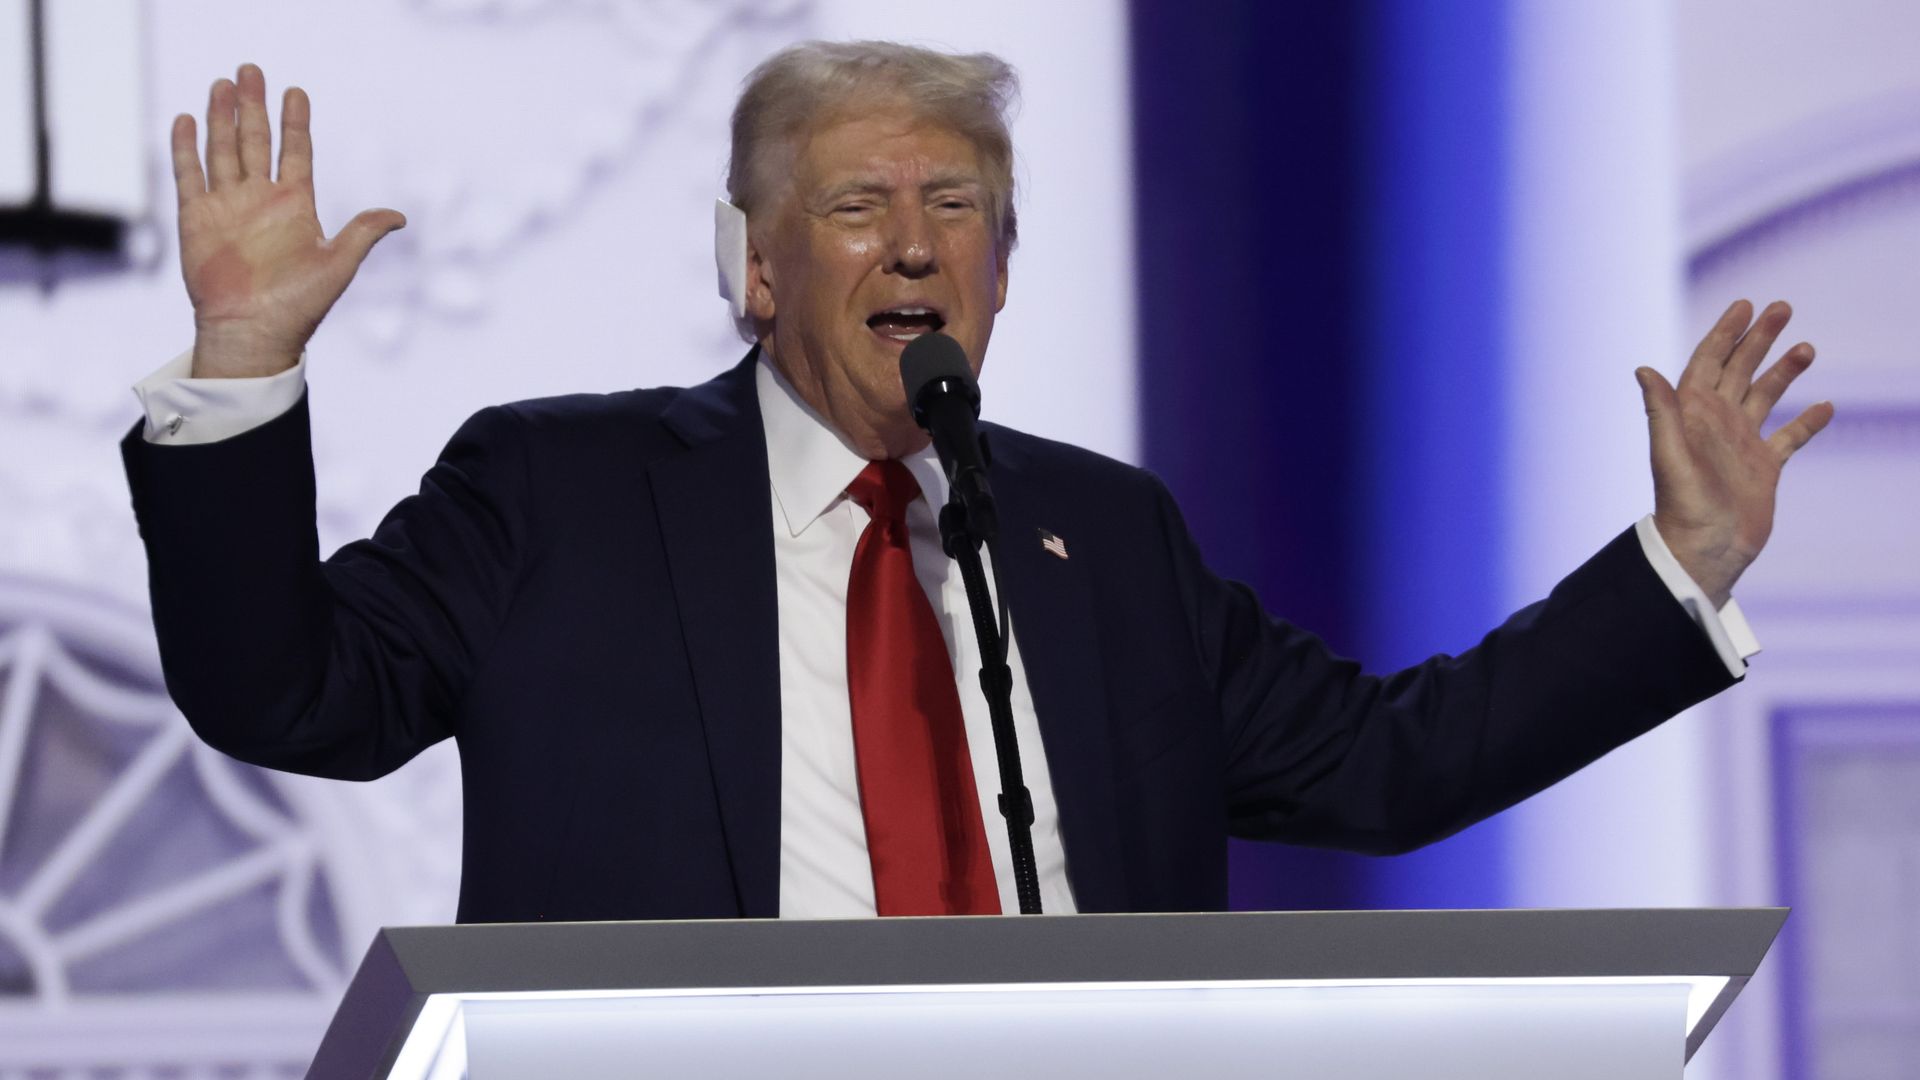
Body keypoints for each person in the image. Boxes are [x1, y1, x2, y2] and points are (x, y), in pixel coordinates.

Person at [121, 43, 1832, 923]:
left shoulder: (1107, 545)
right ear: (761, 270)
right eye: (860, 208)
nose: (918, 245)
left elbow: (1389, 768)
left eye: (959, 211)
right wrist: (244, 368)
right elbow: (288, 693)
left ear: (1003, 275)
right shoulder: (558, 494)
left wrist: (1679, 563)